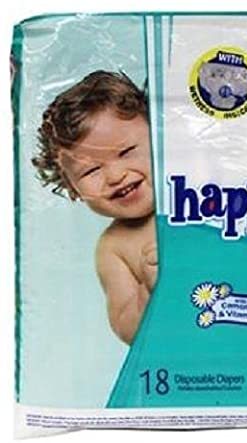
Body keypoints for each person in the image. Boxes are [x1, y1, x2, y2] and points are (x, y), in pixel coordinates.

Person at [32, 71, 157, 344]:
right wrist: (150, 289)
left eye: (126, 152)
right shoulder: (114, 247)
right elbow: (126, 329)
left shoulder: (200, 192)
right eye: (91, 171)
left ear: (160, 138)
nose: (115, 176)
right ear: (72, 189)